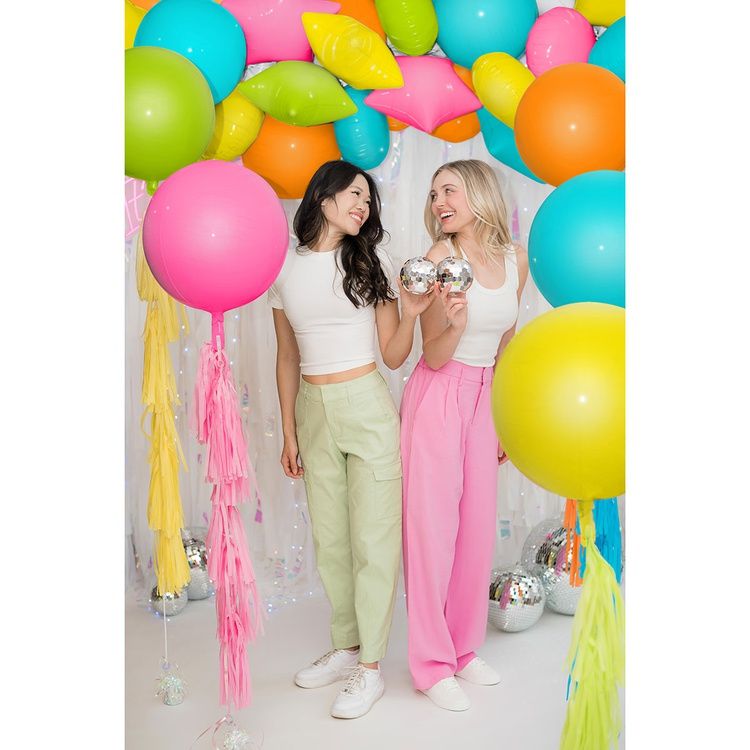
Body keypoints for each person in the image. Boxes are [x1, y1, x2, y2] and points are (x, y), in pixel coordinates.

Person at [269, 160, 432, 719]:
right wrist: (289, 430)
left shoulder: (371, 259)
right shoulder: (283, 266)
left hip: (365, 403)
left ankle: (370, 668)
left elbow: (393, 355)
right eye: (355, 194)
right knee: (332, 540)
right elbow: (286, 356)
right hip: (312, 409)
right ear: (323, 196)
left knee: (373, 539)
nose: (364, 206)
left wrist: (411, 314)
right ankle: (345, 647)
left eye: (369, 199)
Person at [399, 159, 529, 711]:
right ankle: (431, 665)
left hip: (484, 397)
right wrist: (452, 323)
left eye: (448, 190)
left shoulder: (514, 259)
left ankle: (462, 648)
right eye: (433, 194)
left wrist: (502, 414)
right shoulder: (437, 261)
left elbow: (506, 343)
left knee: (475, 529)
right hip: (439, 392)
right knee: (433, 533)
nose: (439, 203)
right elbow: (431, 354)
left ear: (478, 193)